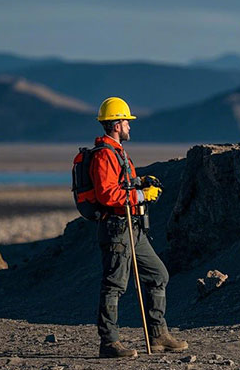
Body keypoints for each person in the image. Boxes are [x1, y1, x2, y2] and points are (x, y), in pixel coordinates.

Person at [90, 97, 188, 358]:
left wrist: (141, 181)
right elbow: (107, 195)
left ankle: (158, 335)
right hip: (116, 228)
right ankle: (109, 343)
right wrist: (142, 196)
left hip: (132, 228)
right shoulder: (103, 155)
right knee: (114, 285)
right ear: (116, 124)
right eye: (127, 122)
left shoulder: (118, 153)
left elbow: (123, 183)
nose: (130, 127)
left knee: (158, 275)